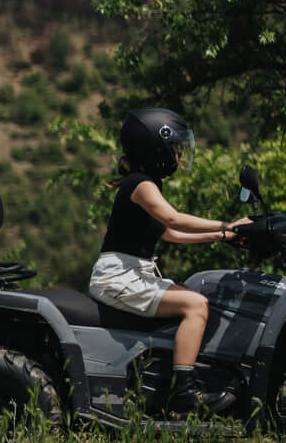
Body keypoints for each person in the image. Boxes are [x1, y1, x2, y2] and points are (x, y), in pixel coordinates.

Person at [90, 105, 247, 413]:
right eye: (174, 148)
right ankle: (186, 393)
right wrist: (227, 225)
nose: (177, 155)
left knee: (197, 298)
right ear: (154, 147)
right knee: (196, 304)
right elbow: (174, 220)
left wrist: (224, 236)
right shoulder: (140, 184)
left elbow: (169, 234)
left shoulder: (146, 184)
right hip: (118, 277)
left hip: (131, 274)